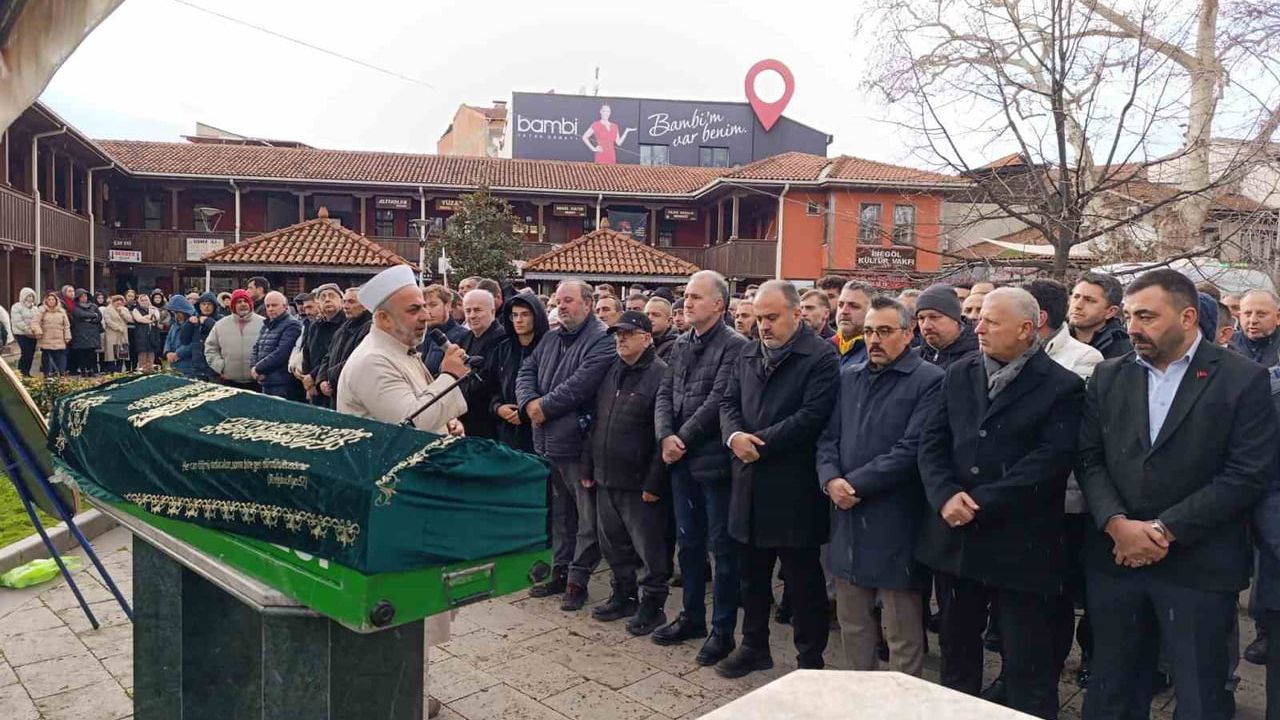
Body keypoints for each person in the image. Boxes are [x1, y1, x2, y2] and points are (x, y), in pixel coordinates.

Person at [1078, 269, 1276, 720]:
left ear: (1188, 317)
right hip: (1117, 560)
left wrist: (1164, 530)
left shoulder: (1242, 379)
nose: (1132, 327)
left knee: (1201, 695)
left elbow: (1246, 474)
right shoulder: (1109, 376)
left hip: (1198, 566)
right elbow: (1089, 459)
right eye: (1128, 316)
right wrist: (1116, 524)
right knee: (1112, 690)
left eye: (1146, 316)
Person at [916, 287, 1084, 719]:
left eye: (991, 321)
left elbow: (1048, 462)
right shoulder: (960, 372)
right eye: (979, 319)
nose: (979, 327)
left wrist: (978, 502)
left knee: (1027, 658)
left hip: (1021, 544)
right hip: (956, 539)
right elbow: (932, 443)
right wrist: (944, 496)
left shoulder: (1063, 386)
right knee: (956, 651)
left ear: (1027, 328)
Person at [335, 265, 468, 720]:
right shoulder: (374, 358)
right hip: (388, 501)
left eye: (425, 307)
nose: (424, 315)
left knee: (420, 603)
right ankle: (392, 698)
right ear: (383, 318)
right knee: (400, 603)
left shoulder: (402, 350)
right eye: (413, 309)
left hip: (414, 497)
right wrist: (449, 377)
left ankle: (410, 688)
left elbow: (427, 407)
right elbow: (406, 423)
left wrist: (449, 419)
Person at [716, 279, 839, 678]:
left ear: (797, 314)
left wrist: (759, 444)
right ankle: (753, 645)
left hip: (793, 487)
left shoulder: (820, 356)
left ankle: (810, 659)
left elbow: (812, 416)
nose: (763, 326)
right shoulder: (748, 353)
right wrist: (735, 436)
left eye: (772, 318)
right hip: (747, 481)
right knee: (751, 575)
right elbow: (728, 401)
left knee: (803, 583)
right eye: (759, 318)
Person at [816, 295, 943, 676]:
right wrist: (829, 479)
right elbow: (827, 437)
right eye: (869, 330)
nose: (874, 339)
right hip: (845, 516)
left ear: (908, 333)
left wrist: (852, 484)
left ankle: (902, 704)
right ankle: (860, 699)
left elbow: (912, 448)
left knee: (901, 630)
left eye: (885, 331)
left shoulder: (930, 381)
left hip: (896, 518)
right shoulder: (848, 376)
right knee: (853, 622)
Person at [652, 270, 748, 666]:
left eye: (695, 296)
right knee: (688, 545)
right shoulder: (680, 344)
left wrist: (682, 439)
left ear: (719, 305)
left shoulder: (735, 346)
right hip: (678, 460)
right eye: (685, 296)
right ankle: (691, 616)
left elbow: (719, 400)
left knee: (721, 551)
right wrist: (664, 436)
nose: (686, 303)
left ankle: (722, 630)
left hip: (713, 463)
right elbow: (664, 392)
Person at [1021, 278, 1104, 690]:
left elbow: (1061, 430)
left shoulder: (1084, 359)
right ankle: (1027, 674)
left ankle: (1055, 674)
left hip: (1064, 501)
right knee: (1028, 599)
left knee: (1060, 595)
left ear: (1036, 319)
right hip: (1019, 501)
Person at [516, 279, 615, 610]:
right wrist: (529, 402)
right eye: (559, 301)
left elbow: (581, 385)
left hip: (578, 444)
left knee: (587, 516)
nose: (562, 306)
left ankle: (578, 578)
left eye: (570, 300)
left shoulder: (602, 340)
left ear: (588, 303)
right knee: (559, 514)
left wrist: (542, 408)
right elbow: (526, 370)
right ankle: (559, 570)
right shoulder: (551, 336)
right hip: (545, 440)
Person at [582, 310, 671, 636]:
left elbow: (664, 434)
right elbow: (597, 421)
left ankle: (653, 605)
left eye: (628, 334)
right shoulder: (612, 371)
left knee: (649, 548)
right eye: (617, 334)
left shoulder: (662, 375)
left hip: (639, 483)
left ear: (646, 338)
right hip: (606, 475)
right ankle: (624, 594)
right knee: (613, 544)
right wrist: (588, 466)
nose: (620, 339)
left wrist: (654, 481)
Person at [487, 293, 549, 453]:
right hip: (506, 432)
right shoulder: (502, 349)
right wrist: (498, 407)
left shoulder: (549, 348)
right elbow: (492, 386)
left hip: (538, 432)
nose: (519, 320)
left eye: (525, 314)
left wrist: (526, 412)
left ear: (536, 316)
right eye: (514, 315)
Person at [458, 289, 506, 439]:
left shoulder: (503, 340)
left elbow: (491, 381)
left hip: (490, 420)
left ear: (492, 311)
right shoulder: (465, 337)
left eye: (477, 310)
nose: (472, 315)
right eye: (468, 311)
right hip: (465, 418)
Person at [315, 288, 372, 403]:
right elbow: (328, 355)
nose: (345, 306)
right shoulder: (344, 328)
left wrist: (330, 378)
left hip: (354, 394)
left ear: (365, 304)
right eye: (344, 302)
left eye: (351, 302)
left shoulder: (370, 328)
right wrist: (322, 379)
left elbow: (356, 361)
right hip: (336, 392)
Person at [205, 289, 265, 391]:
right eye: (239, 302)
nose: (243, 304)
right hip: (229, 383)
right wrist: (221, 367)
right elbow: (210, 348)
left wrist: (263, 369)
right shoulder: (220, 325)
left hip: (257, 383)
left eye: (246, 301)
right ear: (233, 305)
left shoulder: (264, 323)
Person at [251, 291, 304, 400]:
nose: (270, 309)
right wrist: (253, 367)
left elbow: (282, 352)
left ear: (285, 307)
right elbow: (256, 347)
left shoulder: (292, 325)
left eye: (274, 305)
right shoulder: (266, 325)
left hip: (283, 384)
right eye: (267, 306)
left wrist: (258, 368)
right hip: (266, 381)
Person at [1069, 272, 1133, 359]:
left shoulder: (1123, 352)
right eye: (1076, 297)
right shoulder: (1054, 337)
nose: (1077, 305)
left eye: (1089, 300)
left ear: (1110, 311)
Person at [300, 284, 344, 408]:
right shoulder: (315, 326)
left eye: (331, 296)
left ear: (341, 300)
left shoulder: (345, 325)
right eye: (323, 297)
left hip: (332, 384)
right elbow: (306, 353)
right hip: (313, 386)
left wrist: (313, 376)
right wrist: (308, 382)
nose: (327, 299)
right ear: (318, 303)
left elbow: (331, 356)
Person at [916, 284, 979, 369]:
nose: (926, 326)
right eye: (921, 318)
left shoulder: (976, 360)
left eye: (934, 317)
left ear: (955, 319)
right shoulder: (914, 357)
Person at [1233, 289, 1280, 366]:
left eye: (1261, 314)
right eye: (1247, 314)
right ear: (1240, 315)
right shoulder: (1226, 344)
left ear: (1278, 317)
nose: (1253, 320)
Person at [832, 281, 872, 368]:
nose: (844, 311)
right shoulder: (824, 348)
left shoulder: (876, 353)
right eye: (840, 305)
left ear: (871, 312)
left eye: (854, 306)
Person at [162, 294, 201, 379]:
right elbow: (168, 339)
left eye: (177, 312)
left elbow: (194, 342)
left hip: (188, 364)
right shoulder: (174, 324)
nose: (176, 315)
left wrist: (178, 354)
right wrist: (167, 352)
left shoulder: (194, 323)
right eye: (174, 313)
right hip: (174, 364)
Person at [32, 291, 70, 375]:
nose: (51, 301)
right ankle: (47, 373)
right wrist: (38, 331)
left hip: (59, 338)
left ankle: (61, 372)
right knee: (46, 356)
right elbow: (35, 322)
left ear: (56, 301)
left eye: (53, 299)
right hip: (46, 338)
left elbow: (66, 325)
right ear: (46, 301)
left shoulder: (61, 311)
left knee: (60, 356)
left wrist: (67, 336)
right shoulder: (42, 311)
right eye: (49, 299)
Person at [66, 289, 100, 376]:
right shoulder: (76, 307)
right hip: (80, 333)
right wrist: (93, 315)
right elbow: (81, 315)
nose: (84, 298)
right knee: (82, 354)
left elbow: (99, 316)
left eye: (85, 296)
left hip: (92, 333)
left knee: (91, 353)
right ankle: (83, 370)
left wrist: (92, 319)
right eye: (82, 296)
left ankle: (91, 369)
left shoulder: (93, 306)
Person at [100, 295, 131, 373]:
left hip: (122, 335)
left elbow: (130, 319)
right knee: (111, 354)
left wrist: (122, 313)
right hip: (112, 333)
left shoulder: (125, 309)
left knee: (121, 354)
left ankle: (119, 370)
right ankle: (112, 371)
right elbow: (108, 321)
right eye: (117, 301)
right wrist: (118, 327)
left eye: (121, 301)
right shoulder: (107, 310)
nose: (119, 302)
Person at [131, 293, 161, 371]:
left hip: (153, 334)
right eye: (142, 300)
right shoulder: (136, 309)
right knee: (142, 356)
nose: (144, 302)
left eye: (146, 300)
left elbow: (156, 317)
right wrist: (150, 318)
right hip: (141, 335)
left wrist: (147, 318)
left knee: (151, 354)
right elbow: (139, 319)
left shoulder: (154, 309)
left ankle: (151, 372)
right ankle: (142, 373)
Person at [11, 288, 37, 376]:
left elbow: (37, 320)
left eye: (32, 296)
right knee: (26, 352)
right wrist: (28, 329)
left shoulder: (35, 308)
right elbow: (17, 321)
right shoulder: (16, 307)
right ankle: (21, 372)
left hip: (33, 335)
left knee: (31, 353)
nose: (30, 298)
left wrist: (36, 330)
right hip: (21, 334)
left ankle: (27, 372)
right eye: (28, 296)